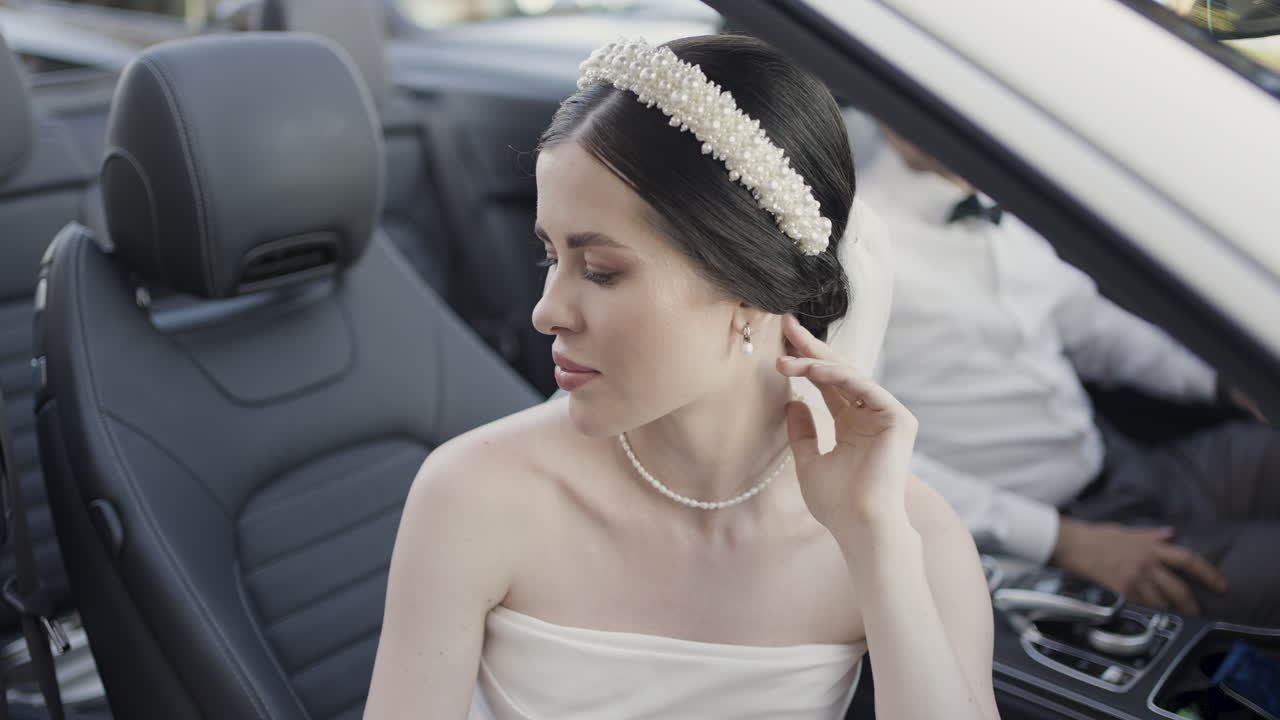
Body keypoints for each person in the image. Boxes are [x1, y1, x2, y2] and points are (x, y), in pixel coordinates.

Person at [364, 35, 999, 720]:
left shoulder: (911, 533)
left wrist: (875, 541)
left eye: (601, 270)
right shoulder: (472, 495)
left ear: (750, 289)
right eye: (550, 255)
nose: (545, 312)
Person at [860, 128, 1280, 626]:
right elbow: (869, 453)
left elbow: (1094, 330)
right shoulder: (859, 242)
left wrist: (1227, 381)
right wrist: (1063, 542)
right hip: (1061, 542)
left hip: (1131, 469)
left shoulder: (1004, 193)